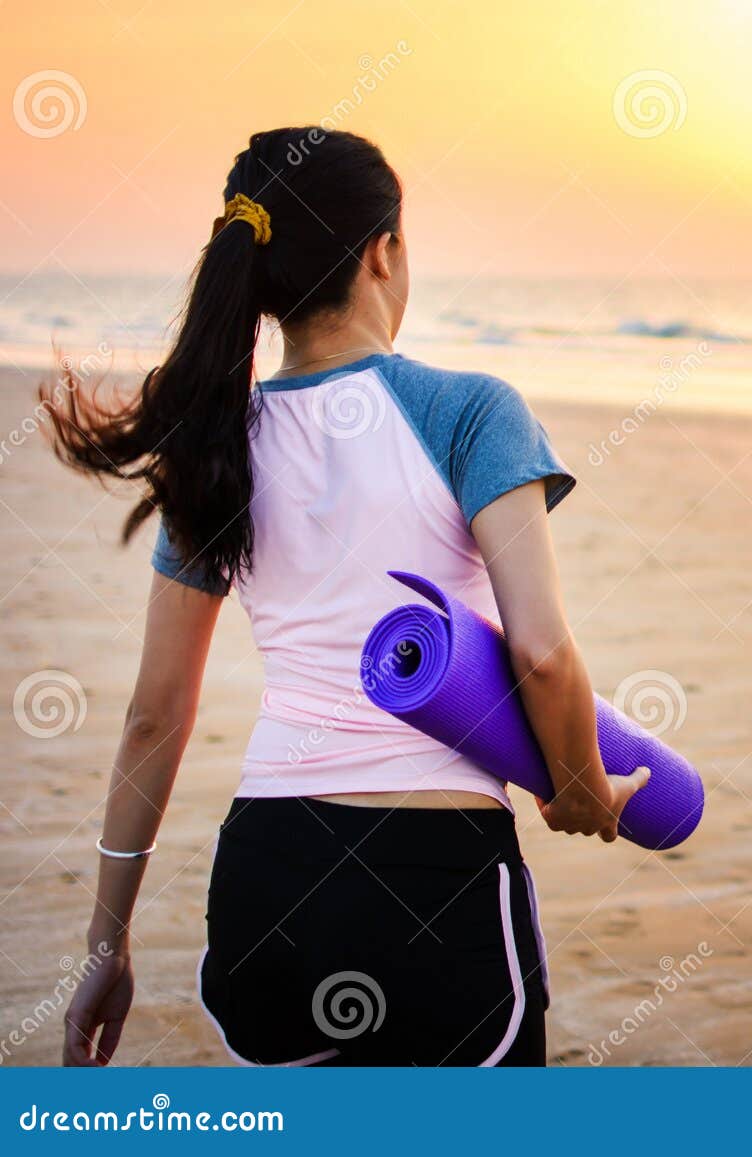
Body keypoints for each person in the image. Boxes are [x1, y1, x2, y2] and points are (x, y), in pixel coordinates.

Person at [44, 127, 648, 1066]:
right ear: (384, 251)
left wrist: (106, 947)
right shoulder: (472, 409)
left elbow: (152, 718)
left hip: (268, 873)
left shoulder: (217, 445)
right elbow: (541, 651)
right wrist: (579, 788)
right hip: (435, 877)